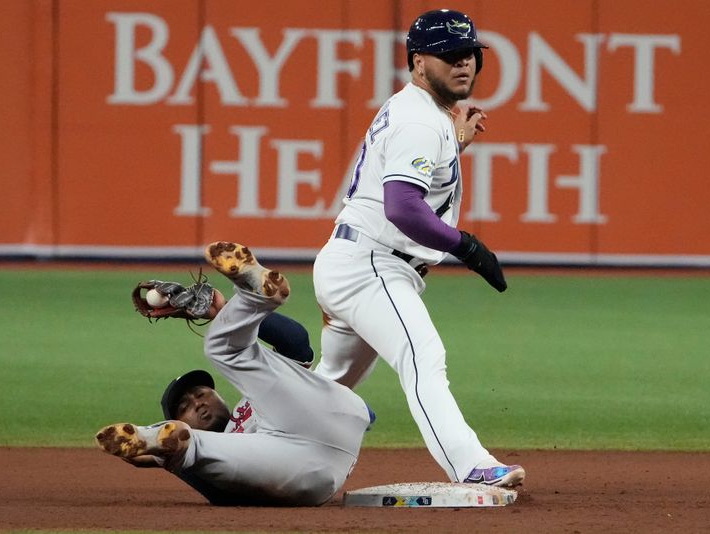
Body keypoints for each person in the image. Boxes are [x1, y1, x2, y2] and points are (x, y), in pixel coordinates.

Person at [312, 9, 525, 487]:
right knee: (422, 355)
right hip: (371, 265)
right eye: (448, 55)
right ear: (417, 61)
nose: (463, 63)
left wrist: (456, 141)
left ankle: (245, 437)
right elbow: (404, 209)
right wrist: (466, 247)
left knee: (328, 385)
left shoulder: (422, 112)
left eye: (469, 53)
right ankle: (471, 466)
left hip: (357, 259)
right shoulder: (420, 122)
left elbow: (416, 179)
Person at [96, 241, 373, 506]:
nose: (198, 403)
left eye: (201, 393)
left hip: (322, 416)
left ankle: (251, 298)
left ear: (218, 394)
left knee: (221, 349)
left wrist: (222, 312)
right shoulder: (218, 449)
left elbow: (296, 342)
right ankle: (159, 443)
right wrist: (174, 463)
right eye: (185, 407)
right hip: (303, 471)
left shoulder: (253, 398)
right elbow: (226, 496)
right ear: (180, 421)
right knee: (193, 446)